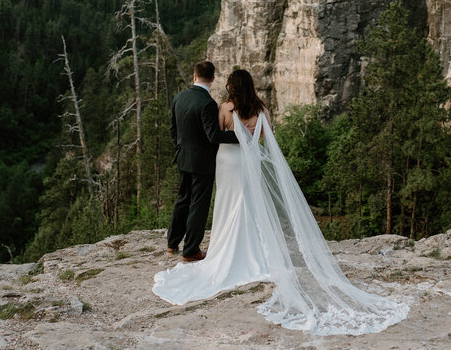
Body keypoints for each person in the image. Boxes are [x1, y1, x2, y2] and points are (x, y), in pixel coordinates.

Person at [154, 68, 409, 336]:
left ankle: (221, 249)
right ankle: (253, 250)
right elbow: (264, 137)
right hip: (247, 160)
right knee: (249, 203)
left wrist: (231, 134)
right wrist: (249, 136)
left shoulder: (225, 108)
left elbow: (215, 135)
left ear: (231, 87)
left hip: (226, 162)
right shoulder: (261, 109)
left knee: (227, 205)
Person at [166, 60, 238, 262]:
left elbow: (173, 129)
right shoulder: (207, 103)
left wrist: (180, 148)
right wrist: (240, 136)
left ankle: (172, 243)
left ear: (194, 76)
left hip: (183, 158)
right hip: (202, 163)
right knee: (199, 204)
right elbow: (213, 136)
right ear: (213, 79)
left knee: (183, 199)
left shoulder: (179, 97)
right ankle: (191, 250)